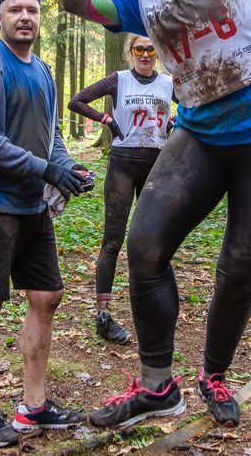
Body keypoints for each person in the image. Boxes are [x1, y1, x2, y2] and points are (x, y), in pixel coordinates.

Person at [57, 0, 251, 429]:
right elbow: (76, 1)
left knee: (238, 268)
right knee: (145, 247)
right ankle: (157, 387)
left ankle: (215, 374)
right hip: (200, 131)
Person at [0, 0, 91, 447]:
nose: (25, 17)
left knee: (47, 295)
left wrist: (67, 167)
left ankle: (33, 407)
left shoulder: (46, 72)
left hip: (35, 202)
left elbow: (51, 134)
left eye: (32, 10)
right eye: (15, 9)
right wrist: (45, 170)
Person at [67, 33, 175, 343]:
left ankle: (150, 312)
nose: (145, 54)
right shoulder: (120, 79)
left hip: (155, 166)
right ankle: (103, 317)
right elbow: (77, 100)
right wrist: (108, 121)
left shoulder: (168, 84)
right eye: (139, 49)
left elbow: (193, 110)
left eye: (151, 49)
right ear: (130, 52)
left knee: (152, 242)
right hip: (123, 166)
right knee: (112, 241)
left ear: (158, 52)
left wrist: (172, 125)